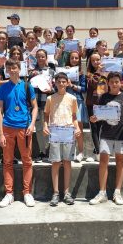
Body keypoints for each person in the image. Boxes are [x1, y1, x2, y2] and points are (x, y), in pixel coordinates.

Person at [0, 59, 38, 208]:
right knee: (7, 161)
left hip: (24, 128)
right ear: (6, 70)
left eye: (14, 67)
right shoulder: (2, 88)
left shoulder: (27, 86)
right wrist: (0, 133)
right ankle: (9, 194)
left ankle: (27, 193)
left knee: (27, 161)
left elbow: (35, 107)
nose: (12, 70)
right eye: (9, 68)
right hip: (7, 128)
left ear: (19, 69)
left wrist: (32, 124)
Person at [89, 72, 123, 205]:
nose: (114, 84)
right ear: (108, 83)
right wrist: (94, 118)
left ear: (120, 83)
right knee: (103, 161)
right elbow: (98, 115)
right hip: (106, 134)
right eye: (112, 82)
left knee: (120, 161)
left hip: (121, 134)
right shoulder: (103, 97)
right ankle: (102, 192)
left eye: (117, 81)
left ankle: (117, 192)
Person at [43, 72, 81, 206]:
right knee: (55, 162)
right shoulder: (50, 99)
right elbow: (46, 115)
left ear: (67, 83)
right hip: (55, 132)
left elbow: (74, 116)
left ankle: (66, 192)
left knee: (67, 162)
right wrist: (45, 126)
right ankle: (55, 193)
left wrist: (77, 128)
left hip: (68, 132)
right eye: (59, 81)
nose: (61, 84)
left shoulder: (72, 98)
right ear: (55, 83)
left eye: (64, 81)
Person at [29, 49, 55, 162]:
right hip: (36, 103)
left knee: (48, 127)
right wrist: (30, 77)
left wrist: (51, 89)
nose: (40, 59)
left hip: (48, 102)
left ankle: (50, 150)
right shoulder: (31, 72)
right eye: (38, 57)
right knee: (39, 128)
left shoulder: (51, 71)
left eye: (42, 56)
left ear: (46, 58)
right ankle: (42, 151)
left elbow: (56, 87)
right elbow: (28, 87)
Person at [65, 50, 88, 162]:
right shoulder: (64, 72)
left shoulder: (82, 74)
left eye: (76, 58)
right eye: (72, 58)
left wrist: (72, 85)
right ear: (68, 59)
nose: (74, 60)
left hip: (78, 101)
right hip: (65, 102)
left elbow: (84, 89)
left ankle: (81, 152)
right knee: (68, 127)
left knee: (79, 128)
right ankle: (71, 151)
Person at [85, 52, 108, 162]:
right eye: (93, 60)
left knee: (101, 128)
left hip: (104, 103)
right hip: (92, 104)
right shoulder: (89, 74)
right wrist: (98, 71)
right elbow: (93, 84)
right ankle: (98, 151)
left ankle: (97, 150)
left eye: (98, 59)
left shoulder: (107, 72)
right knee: (94, 127)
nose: (96, 62)